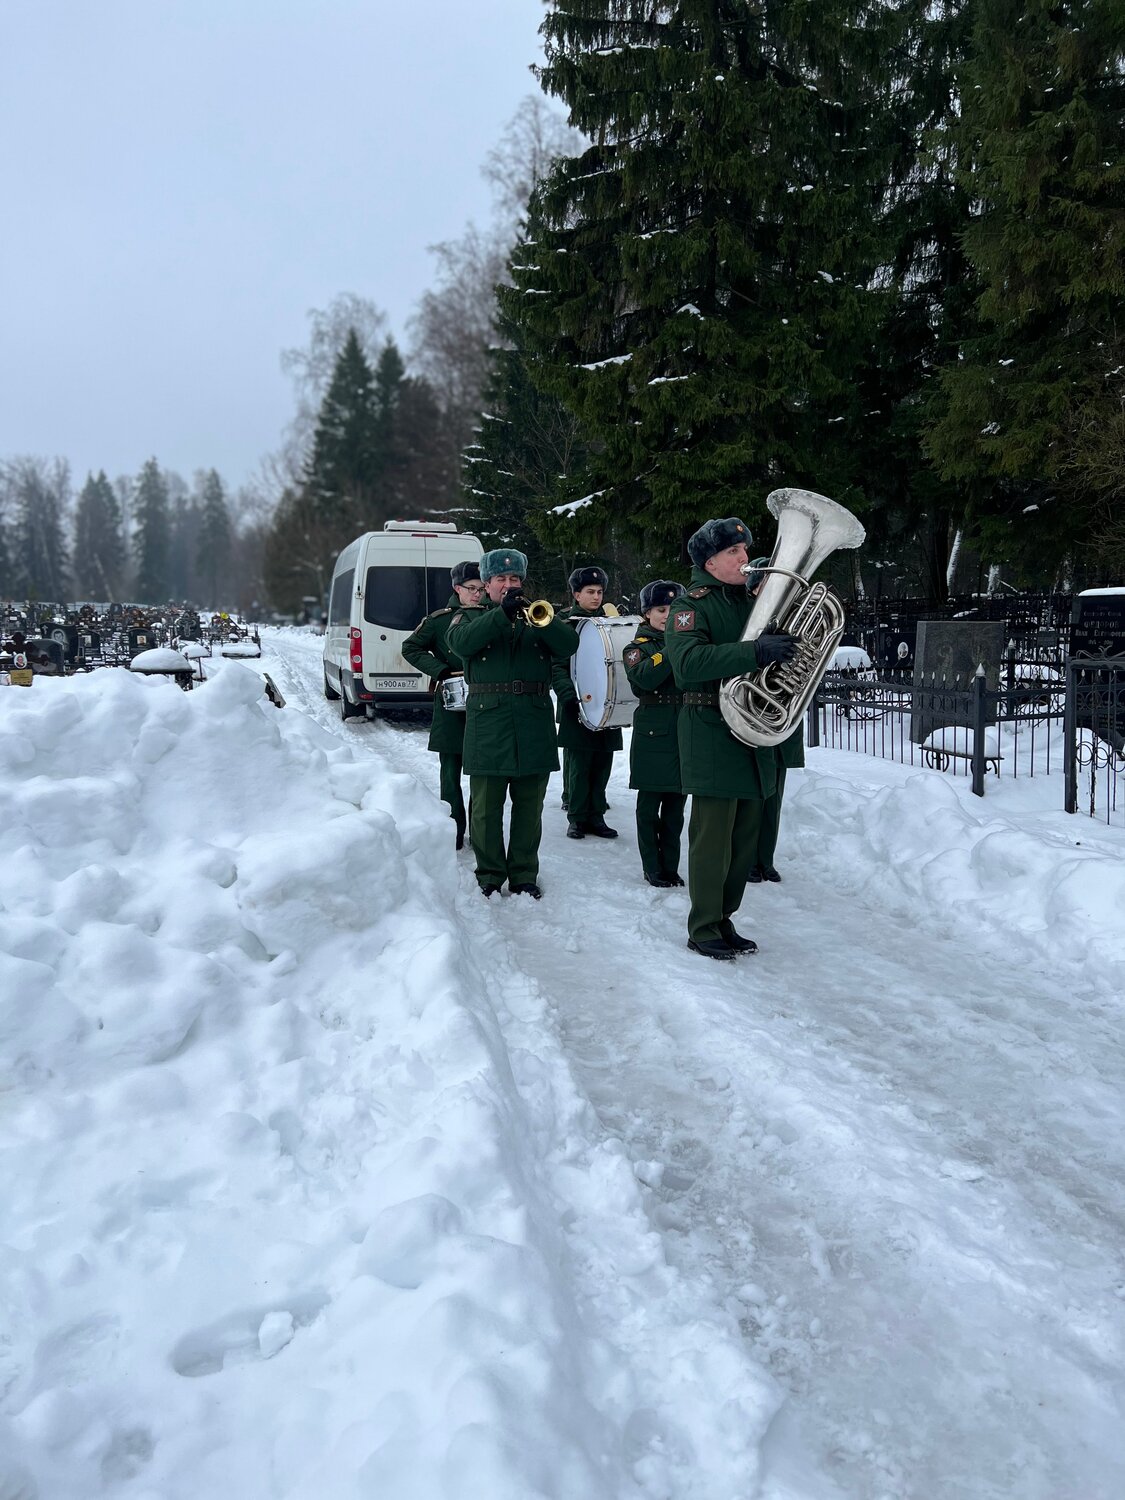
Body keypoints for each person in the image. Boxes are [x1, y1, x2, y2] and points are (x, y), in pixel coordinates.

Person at [663, 518, 798, 960]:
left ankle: (724, 917)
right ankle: (703, 925)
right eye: (734, 553)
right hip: (709, 728)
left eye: (744, 550)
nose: (745, 559)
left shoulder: (751, 603)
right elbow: (687, 664)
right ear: (710, 562)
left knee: (743, 838)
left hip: (751, 728)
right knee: (713, 837)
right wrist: (754, 651)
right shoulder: (690, 607)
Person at [446, 547, 579, 899]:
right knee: (485, 808)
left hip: (533, 721)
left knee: (529, 807)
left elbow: (569, 644)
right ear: (486, 584)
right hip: (489, 723)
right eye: (501, 578)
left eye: (515, 578)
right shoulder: (469, 617)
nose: (508, 584)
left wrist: (543, 619)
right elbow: (460, 644)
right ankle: (490, 873)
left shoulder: (538, 616)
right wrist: (502, 615)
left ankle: (523, 874)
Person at [402, 560, 484, 849]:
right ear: (457, 588)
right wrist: (441, 671)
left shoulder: (491, 616)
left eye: (481, 589)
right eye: (471, 588)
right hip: (451, 702)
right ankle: (454, 830)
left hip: (486, 701)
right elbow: (410, 647)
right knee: (450, 771)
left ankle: (480, 831)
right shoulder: (439, 620)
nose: (477, 594)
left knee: (483, 772)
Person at [740, 556, 806, 885]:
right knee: (754, 796)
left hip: (782, 713)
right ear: (755, 589)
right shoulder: (747, 619)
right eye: (769, 584)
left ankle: (765, 858)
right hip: (752, 713)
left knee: (774, 796)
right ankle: (747, 859)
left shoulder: (796, 620)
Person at [622, 580, 688, 887]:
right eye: (661, 609)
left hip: (683, 731)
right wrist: (674, 647)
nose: (668, 615)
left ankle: (670, 867)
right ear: (647, 613)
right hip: (652, 733)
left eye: (674, 609)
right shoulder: (636, 649)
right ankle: (652, 866)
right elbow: (644, 679)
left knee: (675, 809)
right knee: (648, 807)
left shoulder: (691, 643)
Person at [552, 566, 621, 839]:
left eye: (600, 592)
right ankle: (577, 817)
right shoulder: (566, 625)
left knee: (602, 763)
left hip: (606, 703)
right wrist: (568, 695)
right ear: (576, 594)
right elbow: (558, 665)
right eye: (590, 592)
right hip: (578, 702)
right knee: (579, 765)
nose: (596, 597)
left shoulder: (610, 623)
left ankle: (596, 816)